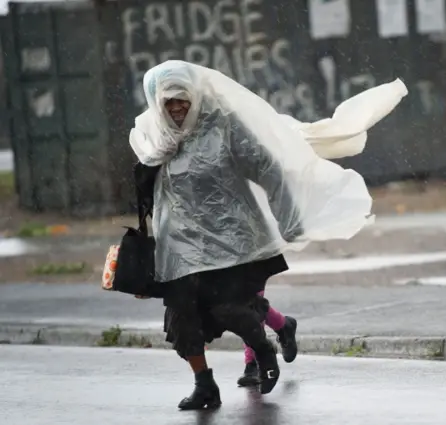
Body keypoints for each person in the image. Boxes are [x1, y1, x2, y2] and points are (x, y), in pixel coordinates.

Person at [129, 59, 405, 410]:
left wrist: (289, 218)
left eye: (182, 99)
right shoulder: (152, 137)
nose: (177, 107)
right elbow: (146, 194)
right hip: (181, 246)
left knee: (231, 309)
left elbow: (267, 168)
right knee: (181, 318)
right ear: (156, 103)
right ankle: (204, 385)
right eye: (168, 102)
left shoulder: (223, 125)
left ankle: (262, 349)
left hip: (233, 238)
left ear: (196, 96)